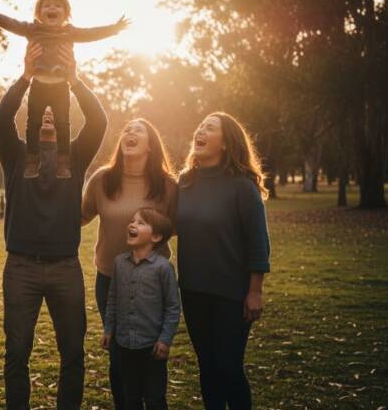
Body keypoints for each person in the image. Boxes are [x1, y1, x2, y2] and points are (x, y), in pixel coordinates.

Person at [0, 42, 107, 410]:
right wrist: (26, 78)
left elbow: (98, 122)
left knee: (72, 354)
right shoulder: (16, 155)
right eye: (39, 110)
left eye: (52, 111)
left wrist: (74, 81)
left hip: (65, 268)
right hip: (21, 268)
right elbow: (2, 120)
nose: (46, 114)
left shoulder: (74, 156)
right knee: (16, 354)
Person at [0, 0, 128, 179]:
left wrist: (114, 29)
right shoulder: (32, 30)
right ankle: (31, 161)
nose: (52, 8)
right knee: (33, 123)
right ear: (39, 14)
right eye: (47, 5)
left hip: (61, 86)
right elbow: (11, 24)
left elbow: (91, 33)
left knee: (63, 123)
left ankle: (63, 163)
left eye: (57, 5)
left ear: (66, 14)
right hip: (38, 84)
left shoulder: (70, 32)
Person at [176, 112, 271, 410]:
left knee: (228, 367)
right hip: (192, 290)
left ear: (227, 143)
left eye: (209, 128)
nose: (200, 131)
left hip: (231, 294)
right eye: (200, 126)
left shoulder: (242, 186)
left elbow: (258, 242)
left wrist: (254, 291)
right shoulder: (185, 181)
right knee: (207, 367)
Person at [81, 118, 178, 409]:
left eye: (138, 130)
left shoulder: (167, 186)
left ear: (150, 145)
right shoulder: (102, 179)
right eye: (127, 130)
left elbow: (178, 226)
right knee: (119, 355)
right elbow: (80, 216)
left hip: (153, 283)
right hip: (111, 280)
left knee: (152, 354)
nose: (130, 132)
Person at [101, 207, 181, 410]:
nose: (132, 224)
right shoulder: (119, 263)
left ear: (156, 236)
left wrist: (165, 340)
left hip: (152, 347)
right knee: (131, 397)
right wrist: (109, 329)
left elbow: (172, 307)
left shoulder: (163, 268)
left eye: (140, 223)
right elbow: (112, 299)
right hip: (125, 345)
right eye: (132, 220)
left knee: (154, 399)